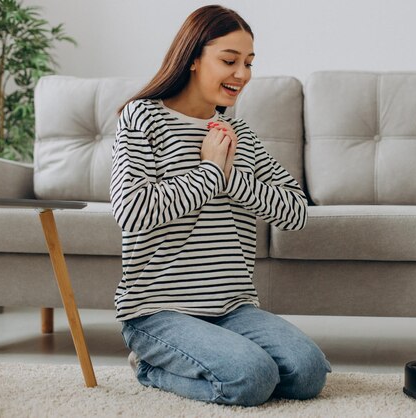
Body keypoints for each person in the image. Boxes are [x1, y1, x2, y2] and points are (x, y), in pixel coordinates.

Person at [109, 4, 330, 406]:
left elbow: (296, 212)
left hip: (232, 307)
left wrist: (230, 177)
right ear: (193, 58)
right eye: (229, 60)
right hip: (157, 310)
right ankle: (149, 366)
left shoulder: (237, 133)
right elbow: (132, 211)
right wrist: (209, 172)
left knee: (309, 374)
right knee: (251, 378)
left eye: (248, 62)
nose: (242, 74)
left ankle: (216, 356)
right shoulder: (142, 118)